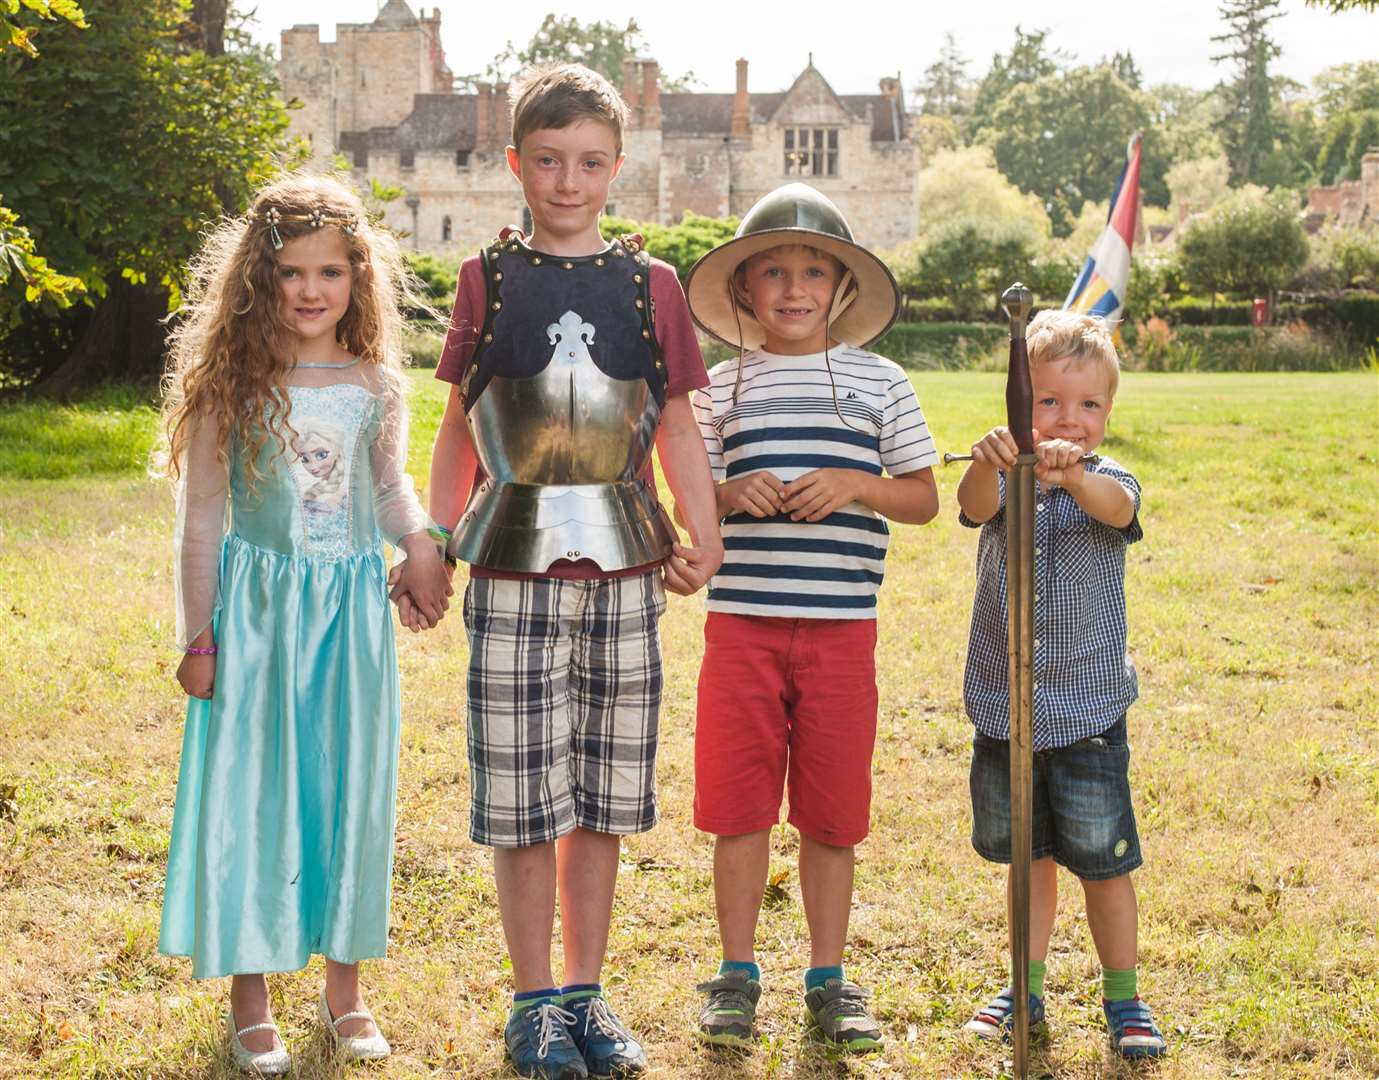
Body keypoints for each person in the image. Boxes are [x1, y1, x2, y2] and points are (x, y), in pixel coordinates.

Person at [425, 63, 721, 1080]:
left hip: (625, 562)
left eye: (589, 162)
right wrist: (428, 536)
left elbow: (676, 419)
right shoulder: (485, 278)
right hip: (508, 564)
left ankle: (587, 995)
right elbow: (457, 425)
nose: (567, 181)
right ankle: (531, 1002)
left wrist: (703, 526)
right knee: (519, 794)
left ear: (617, 167)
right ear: (515, 163)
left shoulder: (655, 285)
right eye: (547, 161)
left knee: (602, 791)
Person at [157, 174, 452, 1074]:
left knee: (350, 789)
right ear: (259, 280)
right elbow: (201, 518)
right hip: (257, 617)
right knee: (253, 794)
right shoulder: (230, 385)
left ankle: (345, 993)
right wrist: (198, 635)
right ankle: (251, 997)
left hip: (351, 619)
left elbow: (387, 483)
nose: (312, 290)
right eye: (291, 272)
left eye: (331, 270)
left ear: (358, 277)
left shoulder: (373, 381)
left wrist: (421, 543)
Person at [682, 183, 940, 1053]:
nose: (793, 289)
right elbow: (687, 499)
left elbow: (922, 498)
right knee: (738, 805)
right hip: (743, 628)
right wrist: (723, 493)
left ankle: (828, 975)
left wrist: (856, 484)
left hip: (839, 631)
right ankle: (736, 971)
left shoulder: (881, 382)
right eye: (773, 273)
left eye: (813, 272)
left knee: (832, 812)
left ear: (842, 289)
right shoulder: (720, 389)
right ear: (744, 290)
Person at [955, 310, 1167, 1060]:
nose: (1066, 421)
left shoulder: (1106, 480)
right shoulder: (1006, 477)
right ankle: (1025, 985)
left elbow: (1119, 510)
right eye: (1046, 402)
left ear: (1107, 413)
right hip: (1004, 709)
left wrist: (1074, 477)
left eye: (1087, 407)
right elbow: (974, 507)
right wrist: (989, 459)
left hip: (1086, 713)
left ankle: (1124, 998)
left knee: (1103, 864)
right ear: (1019, 405)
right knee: (1026, 859)